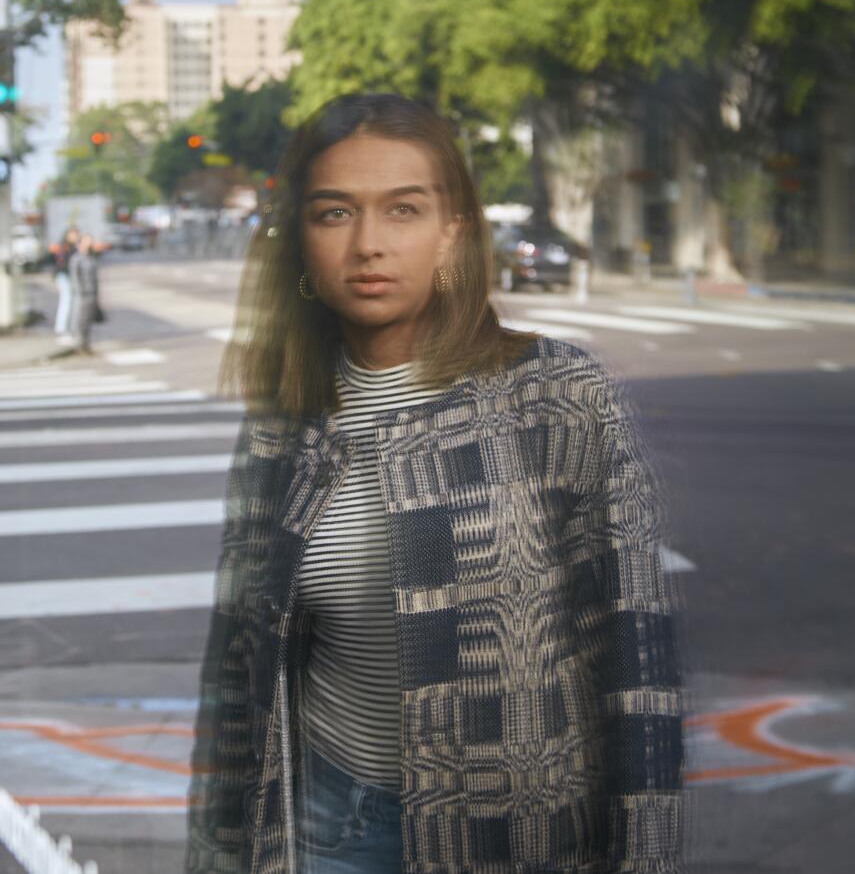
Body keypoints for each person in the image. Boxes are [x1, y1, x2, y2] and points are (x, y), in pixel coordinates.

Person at [187, 93, 684, 873]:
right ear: (301, 244)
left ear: (452, 231)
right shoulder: (286, 420)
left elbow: (637, 666)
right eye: (333, 213)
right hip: (322, 823)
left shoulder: (558, 395)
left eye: (404, 210)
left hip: (516, 840)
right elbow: (240, 673)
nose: (368, 244)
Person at [69, 233, 102, 355]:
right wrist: (79, 293)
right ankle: (80, 344)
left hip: (92, 293)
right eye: (87, 241)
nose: (89, 243)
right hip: (82, 294)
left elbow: (95, 278)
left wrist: (97, 294)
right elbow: (75, 278)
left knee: (88, 321)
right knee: (80, 320)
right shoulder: (76, 259)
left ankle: (86, 343)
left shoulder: (91, 258)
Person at [52, 228, 82, 342]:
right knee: (66, 301)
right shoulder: (65, 248)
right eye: (73, 235)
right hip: (64, 277)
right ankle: (61, 329)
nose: (75, 237)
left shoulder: (72, 248)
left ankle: (67, 328)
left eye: (76, 234)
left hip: (67, 277)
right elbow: (63, 264)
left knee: (71, 302)